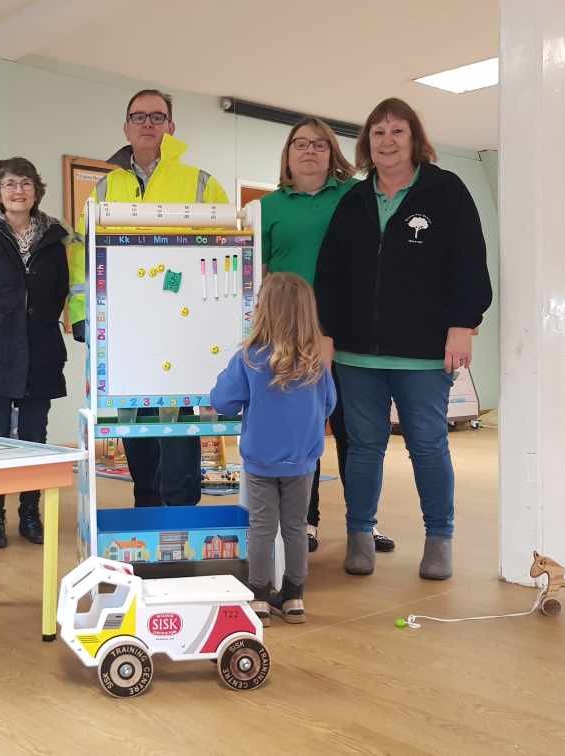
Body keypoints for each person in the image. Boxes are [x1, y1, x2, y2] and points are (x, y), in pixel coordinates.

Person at [315, 97, 492, 580]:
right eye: (378, 133)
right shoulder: (353, 200)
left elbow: (469, 262)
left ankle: (439, 540)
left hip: (423, 352)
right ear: (366, 143)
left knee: (429, 445)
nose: (387, 141)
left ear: (414, 139)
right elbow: (329, 273)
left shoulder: (445, 191)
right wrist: (326, 334)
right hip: (356, 352)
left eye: (397, 132)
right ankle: (360, 536)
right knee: (364, 447)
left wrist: (463, 324)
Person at [68, 88, 229, 508]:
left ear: (171, 127)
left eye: (156, 117)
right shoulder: (104, 189)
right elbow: (84, 255)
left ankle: (180, 511)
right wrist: (83, 314)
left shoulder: (201, 183)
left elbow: (225, 250)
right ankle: (146, 504)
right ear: (126, 126)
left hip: (184, 326)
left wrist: (219, 319)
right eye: (138, 117)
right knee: (134, 421)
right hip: (124, 330)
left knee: (178, 422)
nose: (147, 124)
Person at [260, 116, 395, 555]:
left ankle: (363, 524)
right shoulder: (268, 208)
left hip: (347, 332)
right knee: (303, 433)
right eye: (300, 144)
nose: (310, 151)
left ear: (332, 152)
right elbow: (254, 271)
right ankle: (307, 521)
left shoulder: (355, 197)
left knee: (355, 432)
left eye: (320, 144)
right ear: (288, 154)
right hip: (289, 336)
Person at [0, 158, 70, 548]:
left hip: (40, 350)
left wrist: (30, 326)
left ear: (36, 190)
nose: (17, 190)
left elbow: (58, 294)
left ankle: (29, 513)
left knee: (36, 437)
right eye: (9, 184)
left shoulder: (54, 241)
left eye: (25, 183)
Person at [211, 273, 335, 625]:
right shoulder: (315, 363)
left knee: (262, 528)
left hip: (261, 462)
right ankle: (295, 597)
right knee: (295, 527)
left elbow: (222, 401)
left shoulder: (249, 358)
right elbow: (329, 404)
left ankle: (260, 599)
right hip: (302, 461)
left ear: (265, 311)